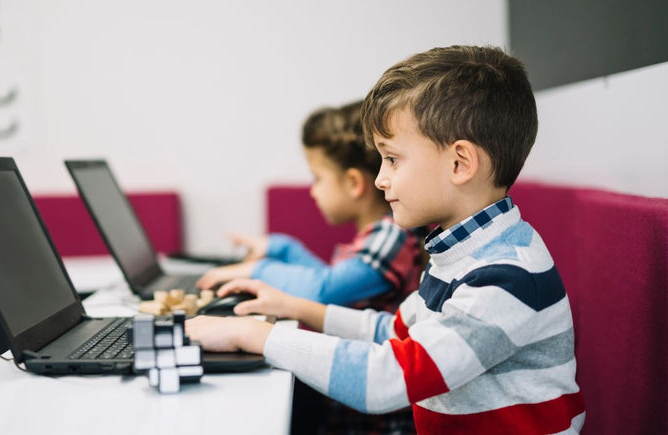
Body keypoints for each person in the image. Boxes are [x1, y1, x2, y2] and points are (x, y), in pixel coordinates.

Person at [187, 45, 586, 434]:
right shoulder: (463, 251)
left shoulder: (506, 277)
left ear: (460, 163)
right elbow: (393, 332)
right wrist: (292, 306)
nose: (381, 179)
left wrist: (258, 336)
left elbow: (386, 378)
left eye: (392, 159)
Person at [196, 101, 423, 313]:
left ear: (354, 183)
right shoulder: (379, 234)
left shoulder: (391, 236)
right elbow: (326, 277)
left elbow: (323, 289)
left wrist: (256, 270)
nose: (313, 191)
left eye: (317, 179)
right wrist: (281, 249)